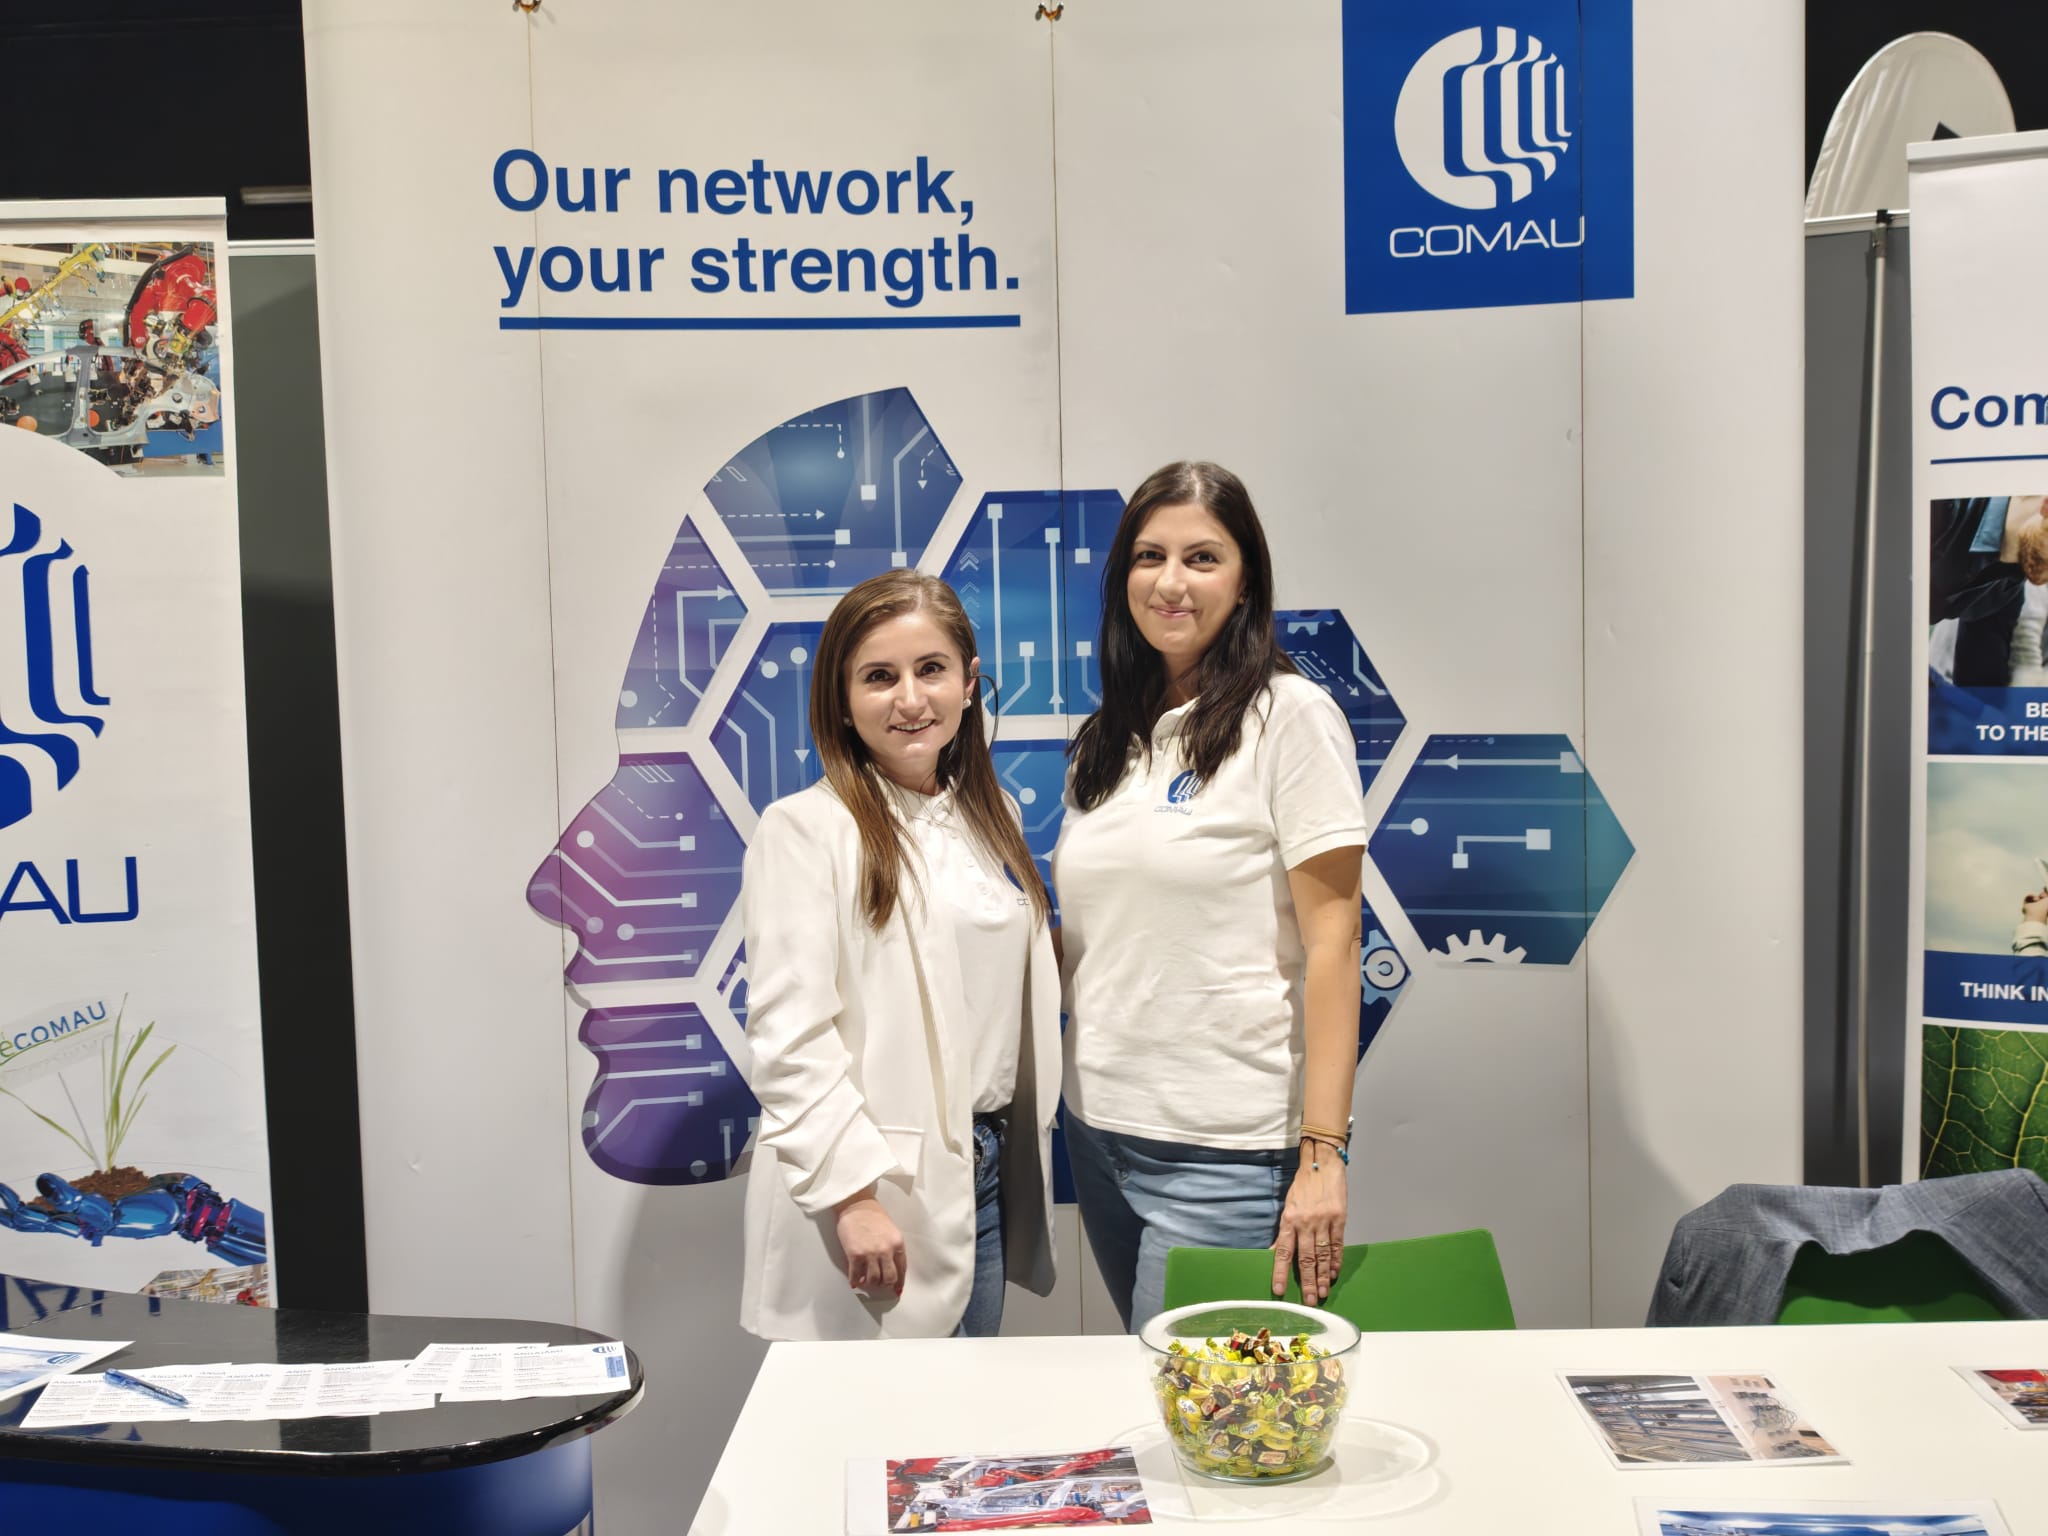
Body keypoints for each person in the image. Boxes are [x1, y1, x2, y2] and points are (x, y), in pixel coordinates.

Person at [1052, 460, 1367, 1332]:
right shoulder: (1105, 743)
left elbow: (1335, 945)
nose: (1171, 582)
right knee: (1154, 1384)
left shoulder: (1291, 717)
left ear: (1246, 580)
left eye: (1202, 557)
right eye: (1149, 557)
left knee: (1196, 1399)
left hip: (1226, 1153)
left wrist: (1323, 1156)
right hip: (1098, 1131)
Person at [738, 570, 1061, 1340]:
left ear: (969, 684)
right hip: (875, 1189)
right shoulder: (804, 830)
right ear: (841, 701)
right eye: (879, 677)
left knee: (963, 1410)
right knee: (872, 1415)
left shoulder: (994, 818)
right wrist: (851, 1197)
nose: (910, 699)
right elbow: (789, 1040)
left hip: (983, 1177)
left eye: (931, 669)